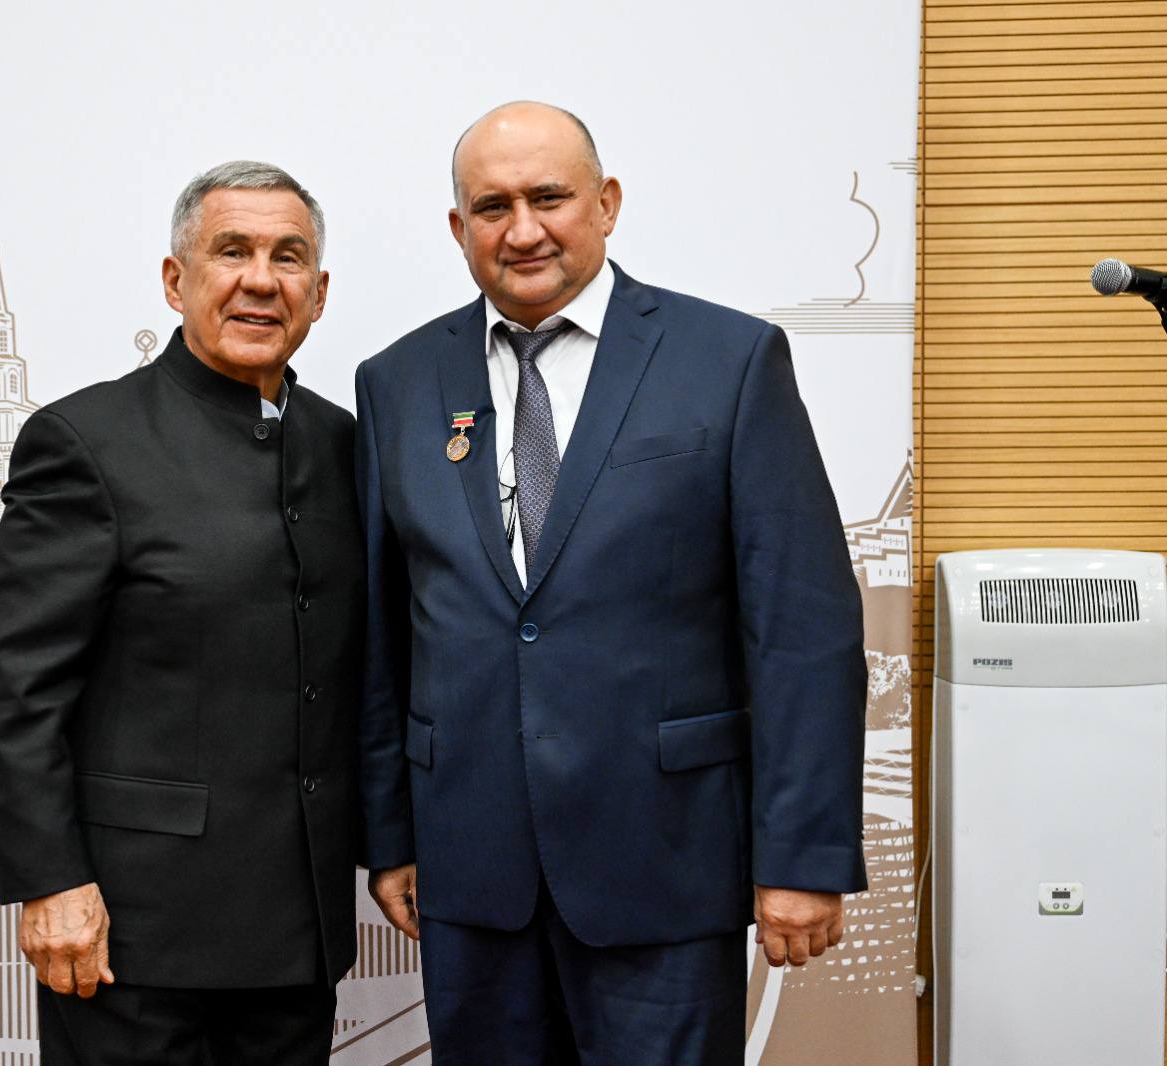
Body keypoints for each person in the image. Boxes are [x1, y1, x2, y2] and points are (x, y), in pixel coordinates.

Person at [354, 102, 868, 1065]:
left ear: (607, 204)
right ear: (459, 227)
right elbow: (386, 634)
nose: (523, 229)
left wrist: (803, 854)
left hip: (665, 863)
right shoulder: (397, 382)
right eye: (493, 206)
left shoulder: (728, 360)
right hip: (471, 870)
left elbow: (801, 627)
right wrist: (390, 836)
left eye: (549, 197)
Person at [0, 160, 362, 1065]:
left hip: (297, 937)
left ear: (319, 293)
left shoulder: (345, 443)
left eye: (288, 257)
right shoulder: (86, 440)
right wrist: (51, 881)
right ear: (174, 279)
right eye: (232, 251)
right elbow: (20, 688)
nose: (261, 279)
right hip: (131, 939)